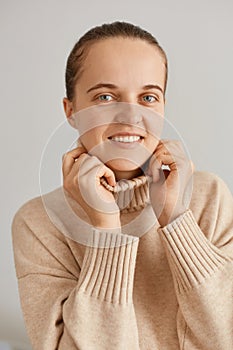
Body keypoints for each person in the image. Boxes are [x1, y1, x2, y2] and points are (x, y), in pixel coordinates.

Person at [12, 21, 233, 350]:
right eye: (105, 96)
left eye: (147, 97)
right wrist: (106, 229)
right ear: (70, 110)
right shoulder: (38, 224)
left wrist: (176, 219)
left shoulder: (208, 197)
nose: (131, 117)